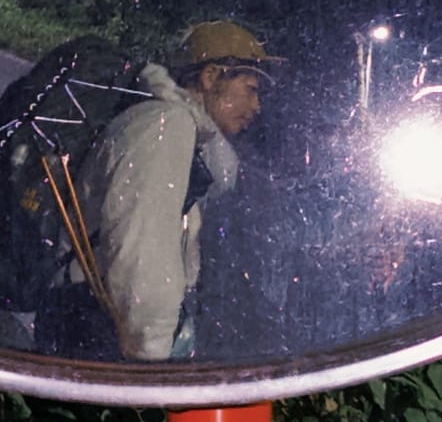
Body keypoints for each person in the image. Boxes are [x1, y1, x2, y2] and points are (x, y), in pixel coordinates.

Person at [35, 21, 274, 361]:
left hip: (98, 320)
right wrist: (153, 367)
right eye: (250, 89)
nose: (257, 106)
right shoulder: (167, 127)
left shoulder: (178, 132)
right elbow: (143, 263)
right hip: (100, 330)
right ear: (210, 77)